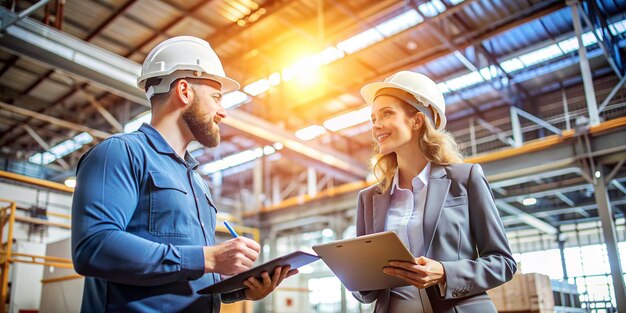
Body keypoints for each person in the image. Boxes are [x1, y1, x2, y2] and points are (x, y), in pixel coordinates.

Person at [71, 36, 295, 312]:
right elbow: (93, 248)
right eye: (216, 98)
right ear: (184, 91)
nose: (223, 112)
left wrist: (239, 288)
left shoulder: (197, 182)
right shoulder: (120, 153)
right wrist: (207, 258)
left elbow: (184, 276)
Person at [352, 71, 517, 313]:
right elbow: (364, 292)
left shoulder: (465, 179)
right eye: (373, 118)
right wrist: (356, 275)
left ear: (417, 121)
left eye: (386, 114)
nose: (376, 125)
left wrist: (444, 273)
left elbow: (503, 263)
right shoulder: (368, 199)